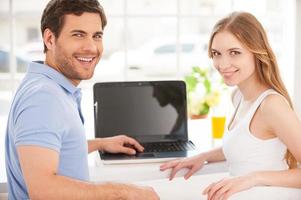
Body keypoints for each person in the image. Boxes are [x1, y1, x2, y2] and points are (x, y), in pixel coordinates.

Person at [5, 0, 159, 199]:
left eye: (97, 36)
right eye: (78, 35)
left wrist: (100, 143)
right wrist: (125, 191)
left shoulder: (46, 85)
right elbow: (43, 189)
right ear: (50, 39)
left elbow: (50, 145)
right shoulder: (43, 98)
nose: (91, 47)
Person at [160, 11, 301, 199]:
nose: (222, 64)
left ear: (257, 52)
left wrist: (253, 178)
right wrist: (203, 157)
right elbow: (246, 147)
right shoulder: (238, 96)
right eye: (216, 54)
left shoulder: (271, 105)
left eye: (234, 53)